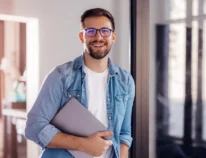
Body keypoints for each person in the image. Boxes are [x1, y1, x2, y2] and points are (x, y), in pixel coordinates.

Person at [25, 8, 135, 158]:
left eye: (105, 31)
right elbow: (34, 127)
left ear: (113, 37)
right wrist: (84, 145)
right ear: (82, 37)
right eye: (90, 31)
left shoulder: (125, 80)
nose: (98, 37)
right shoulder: (60, 76)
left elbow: (124, 134)